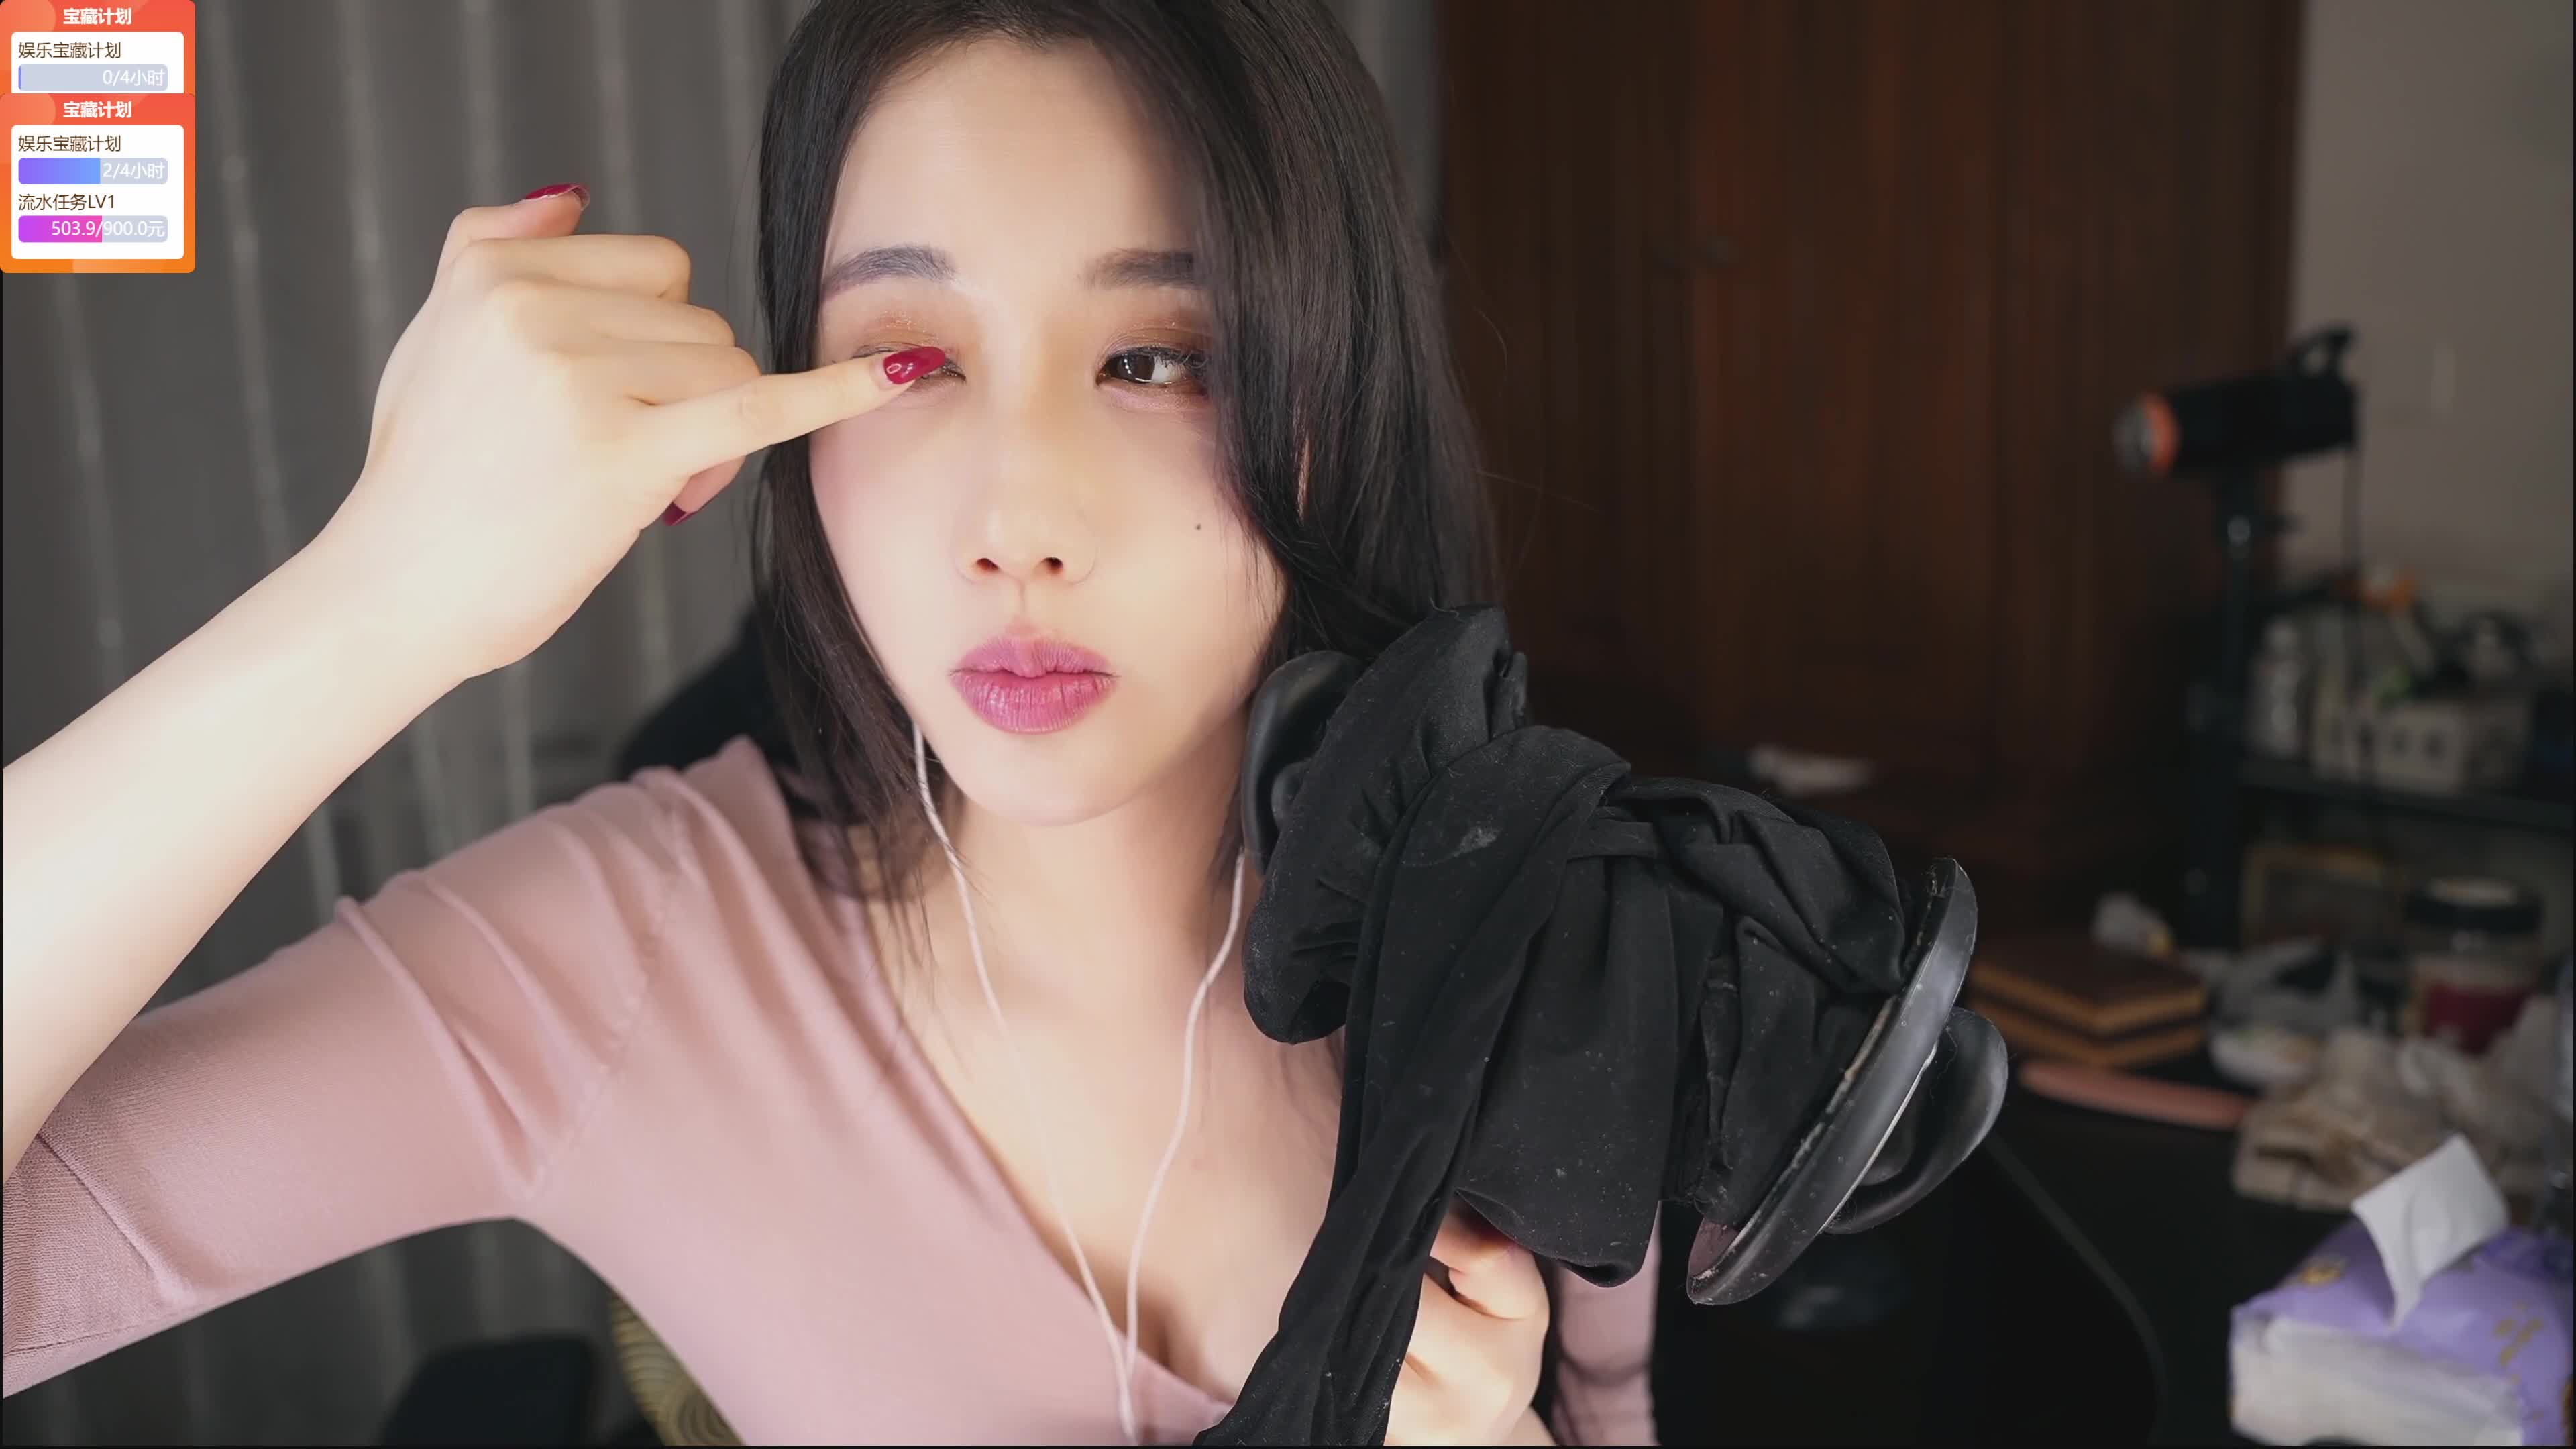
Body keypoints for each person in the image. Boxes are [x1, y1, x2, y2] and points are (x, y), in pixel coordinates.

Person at [0, 1, 1660, 1443]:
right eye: (912, 362)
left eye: (1157, 360)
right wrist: (378, 595)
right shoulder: (623, 962)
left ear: (1338, 405)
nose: (1019, 523)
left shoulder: (1552, 940)